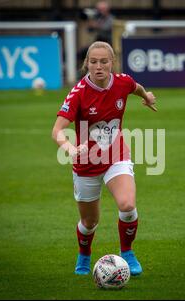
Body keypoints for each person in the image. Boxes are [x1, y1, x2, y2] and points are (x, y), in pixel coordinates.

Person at [52, 41, 157, 276]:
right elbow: (57, 129)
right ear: (86, 64)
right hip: (86, 163)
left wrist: (147, 96)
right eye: (93, 62)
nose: (98, 66)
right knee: (89, 223)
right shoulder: (78, 93)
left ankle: (127, 253)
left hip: (116, 154)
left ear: (112, 63)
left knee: (127, 205)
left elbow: (135, 87)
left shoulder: (122, 81)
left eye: (103, 61)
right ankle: (84, 254)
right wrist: (68, 146)